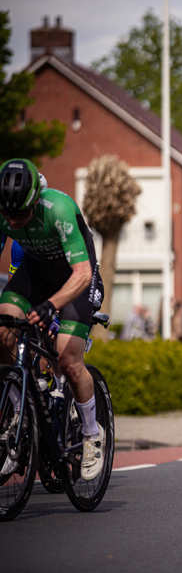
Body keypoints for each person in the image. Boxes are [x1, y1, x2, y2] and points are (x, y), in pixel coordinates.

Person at [0, 158, 104, 480]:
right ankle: (20, 412)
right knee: (3, 328)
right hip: (35, 274)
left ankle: (91, 433)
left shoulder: (58, 209)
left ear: (35, 201)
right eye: (9, 216)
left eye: (22, 215)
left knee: (68, 357)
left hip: (75, 279)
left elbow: (83, 274)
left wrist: (51, 305)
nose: (14, 223)